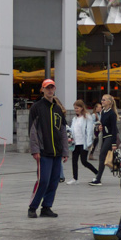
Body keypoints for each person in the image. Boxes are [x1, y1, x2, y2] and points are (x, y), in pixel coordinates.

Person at [27, 79, 69, 217]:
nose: (50, 90)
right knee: (43, 180)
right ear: (42, 89)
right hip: (43, 151)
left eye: (52, 88)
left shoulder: (58, 109)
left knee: (54, 180)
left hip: (56, 151)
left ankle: (47, 207)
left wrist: (65, 150)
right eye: (47, 88)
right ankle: (32, 207)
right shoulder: (36, 107)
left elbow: (63, 131)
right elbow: (32, 130)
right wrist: (35, 149)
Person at [67, 100, 99, 184]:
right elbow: (73, 130)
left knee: (84, 161)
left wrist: (89, 142)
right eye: (74, 108)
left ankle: (97, 173)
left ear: (81, 108)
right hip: (75, 143)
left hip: (83, 143)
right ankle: (75, 178)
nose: (76, 110)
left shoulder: (87, 117)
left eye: (77, 108)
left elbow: (89, 130)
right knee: (74, 161)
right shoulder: (75, 119)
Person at [90, 94, 119, 185]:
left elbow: (114, 128)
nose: (102, 101)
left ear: (109, 102)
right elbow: (103, 124)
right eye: (102, 100)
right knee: (105, 157)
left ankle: (98, 179)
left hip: (110, 137)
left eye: (104, 100)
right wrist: (100, 127)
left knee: (102, 155)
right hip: (104, 136)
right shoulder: (103, 112)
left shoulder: (112, 113)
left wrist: (114, 143)